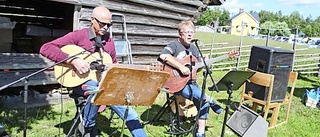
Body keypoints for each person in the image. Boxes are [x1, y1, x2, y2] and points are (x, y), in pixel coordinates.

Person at [40, 6, 147, 137]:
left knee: (130, 113)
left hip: (102, 85)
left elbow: (112, 65)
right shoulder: (79, 36)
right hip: (80, 83)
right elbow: (46, 48)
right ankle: (88, 126)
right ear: (92, 20)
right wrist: (73, 61)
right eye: (102, 24)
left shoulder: (109, 42)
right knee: (98, 90)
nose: (106, 27)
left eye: (109, 24)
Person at [159, 20, 226, 137]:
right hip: (176, 83)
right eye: (187, 32)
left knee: (202, 102)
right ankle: (211, 100)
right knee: (201, 96)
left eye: (192, 32)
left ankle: (200, 132)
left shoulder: (194, 49)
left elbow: (196, 69)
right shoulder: (174, 45)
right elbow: (163, 56)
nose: (190, 34)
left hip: (191, 83)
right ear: (180, 34)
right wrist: (180, 67)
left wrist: (204, 63)